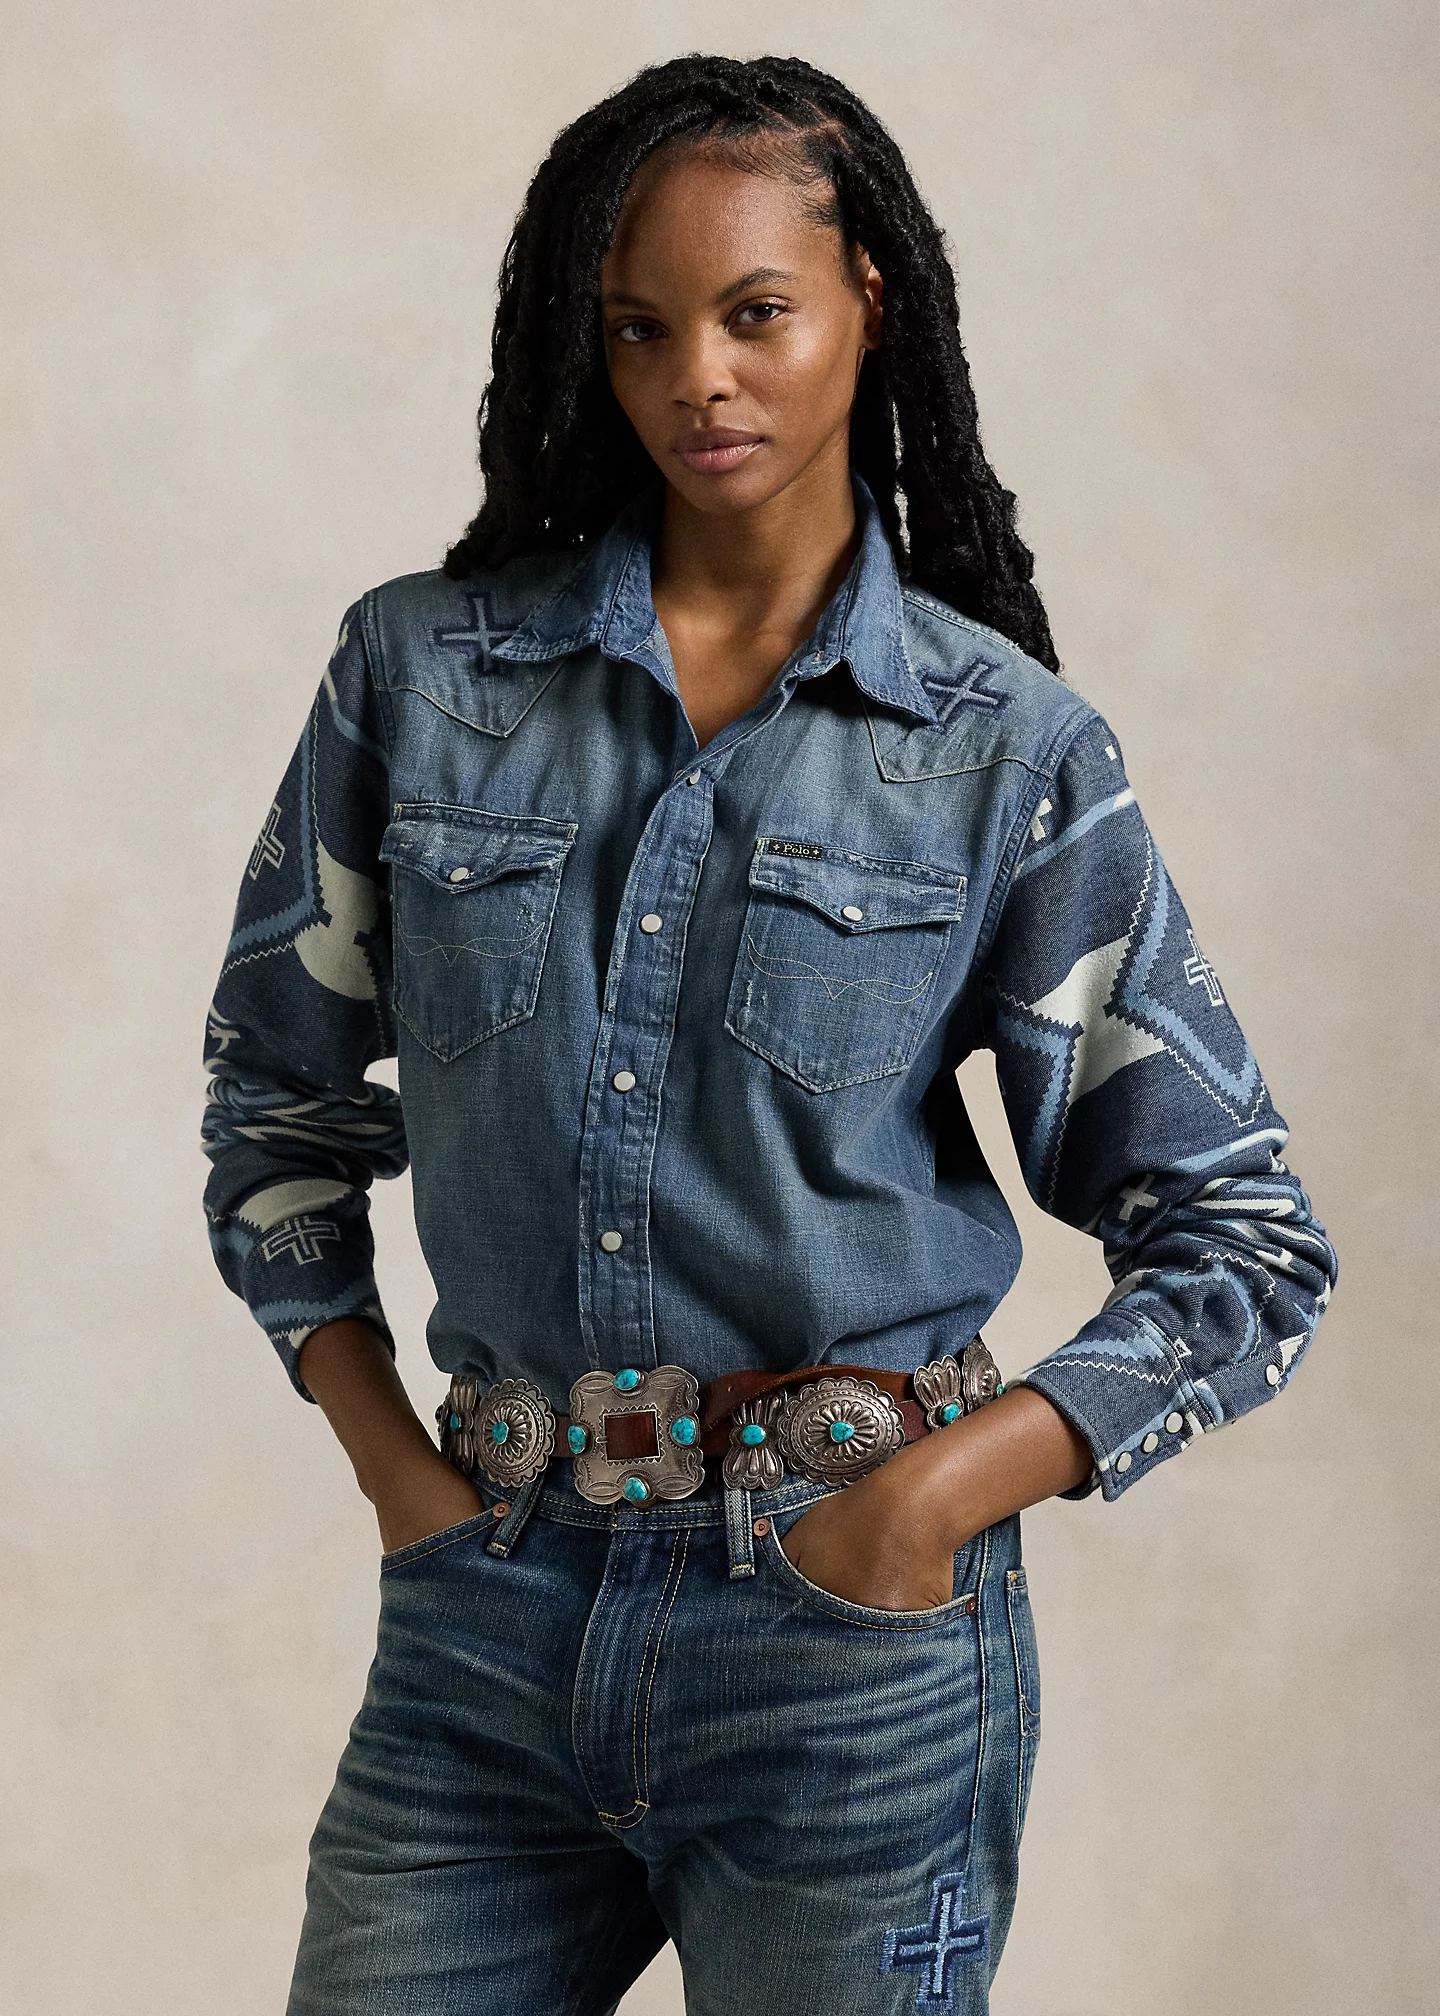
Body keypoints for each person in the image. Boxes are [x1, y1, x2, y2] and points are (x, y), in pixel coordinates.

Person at [201, 53, 1337, 2016]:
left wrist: (924, 1508)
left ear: (868, 302)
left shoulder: (1002, 752)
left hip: (846, 1654)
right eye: (640, 329)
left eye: (754, 314)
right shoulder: (422, 678)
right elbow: (271, 1100)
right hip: (486, 1619)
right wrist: (395, 1469)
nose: (696, 381)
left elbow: (1245, 1245)